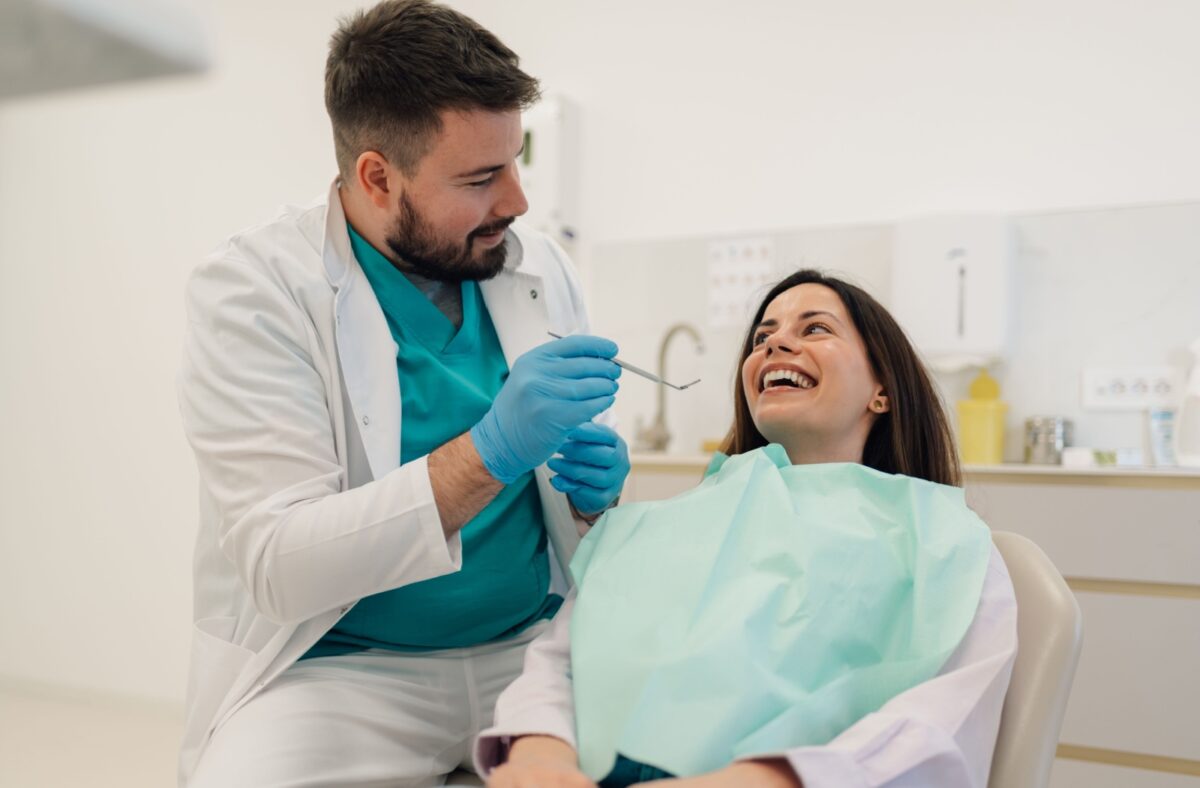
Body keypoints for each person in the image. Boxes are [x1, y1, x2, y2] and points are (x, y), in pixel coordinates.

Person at [176, 2, 630, 785]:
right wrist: (491, 451)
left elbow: (573, 518)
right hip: (344, 672)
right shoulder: (252, 292)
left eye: (516, 161)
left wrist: (595, 500)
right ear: (377, 177)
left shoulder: (537, 266)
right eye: (482, 178)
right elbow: (280, 563)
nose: (517, 200)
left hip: (530, 652)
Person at [476, 269, 1019, 788]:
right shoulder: (668, 524)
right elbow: (561, 659)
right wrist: (539, 749)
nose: (775, 345)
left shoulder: (943, 544)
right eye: (763, 336)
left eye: (815, 328)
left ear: (883, 389)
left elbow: (939, 722)